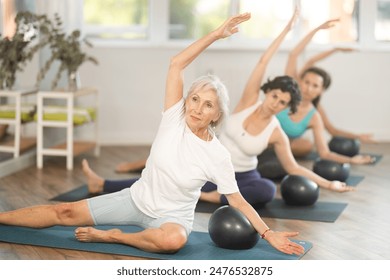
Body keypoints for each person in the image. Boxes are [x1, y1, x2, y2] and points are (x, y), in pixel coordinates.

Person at [0, 13, 304, 256]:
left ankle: (114, 237)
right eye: (194, 98)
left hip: (171, 218)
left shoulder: (217, 154)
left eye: (207, 104)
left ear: (216, 115)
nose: (197, 107)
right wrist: (215, 34)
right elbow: (176, 64)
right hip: (134, 200)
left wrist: (268, 233)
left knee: (172, 241)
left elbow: (237, 201)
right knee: (63, 211)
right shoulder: (174, 117)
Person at [82, 8, 353, 210]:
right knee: (162, 178)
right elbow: (263, 60)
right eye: (274, 96)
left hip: (243, 177)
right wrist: (286, 29)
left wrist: (330, 184)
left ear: (286, 107)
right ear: (267, 93)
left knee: (267, 189)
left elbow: (293, 167)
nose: (275, 103)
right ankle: (101, 184)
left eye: (282, 103)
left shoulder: (276, 132)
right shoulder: (249, 102)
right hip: (210, 167)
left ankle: (208, 196)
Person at [276, 18, 374, 164]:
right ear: (300, 81)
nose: (308, 88)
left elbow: (332, 132)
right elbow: (294, 55)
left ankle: (279, 154)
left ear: (321, 91)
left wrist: (357, 141)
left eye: (315, 86)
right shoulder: (290, 90)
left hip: (282, 145)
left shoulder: (315, 112)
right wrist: (318, 31)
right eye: (306, 82)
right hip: (263, 136)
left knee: (307, 146)